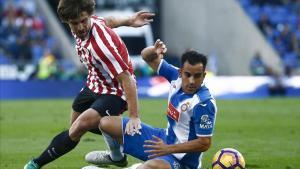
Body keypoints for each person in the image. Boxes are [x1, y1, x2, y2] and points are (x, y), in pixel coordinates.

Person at [24, 0, 155, 168]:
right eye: (74, 23)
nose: (80, 27)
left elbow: (127, 78)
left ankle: (35, 164)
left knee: (79, 127)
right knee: (75, 127)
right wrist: (129, 21)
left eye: (83, 21)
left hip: (115, 90)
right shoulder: (86, 22)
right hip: (94, 83)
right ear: (67, 21)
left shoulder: (100, 45)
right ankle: (117, 153)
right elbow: (108, 21)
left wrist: (134, 116)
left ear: (88, 16)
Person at [85, 39, 217, 169]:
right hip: (163, 139)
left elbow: (204, 143)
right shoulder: (175, 76)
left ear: (204, 76)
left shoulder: (204, 103)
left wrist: (168, 149)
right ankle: (116, 158)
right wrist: (154, 51)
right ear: (181, 72)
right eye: (188, 75)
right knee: (106, 123)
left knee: (150, 167)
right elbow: (146, 56)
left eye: (197, 76)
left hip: (183, 161)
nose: (192, 81)